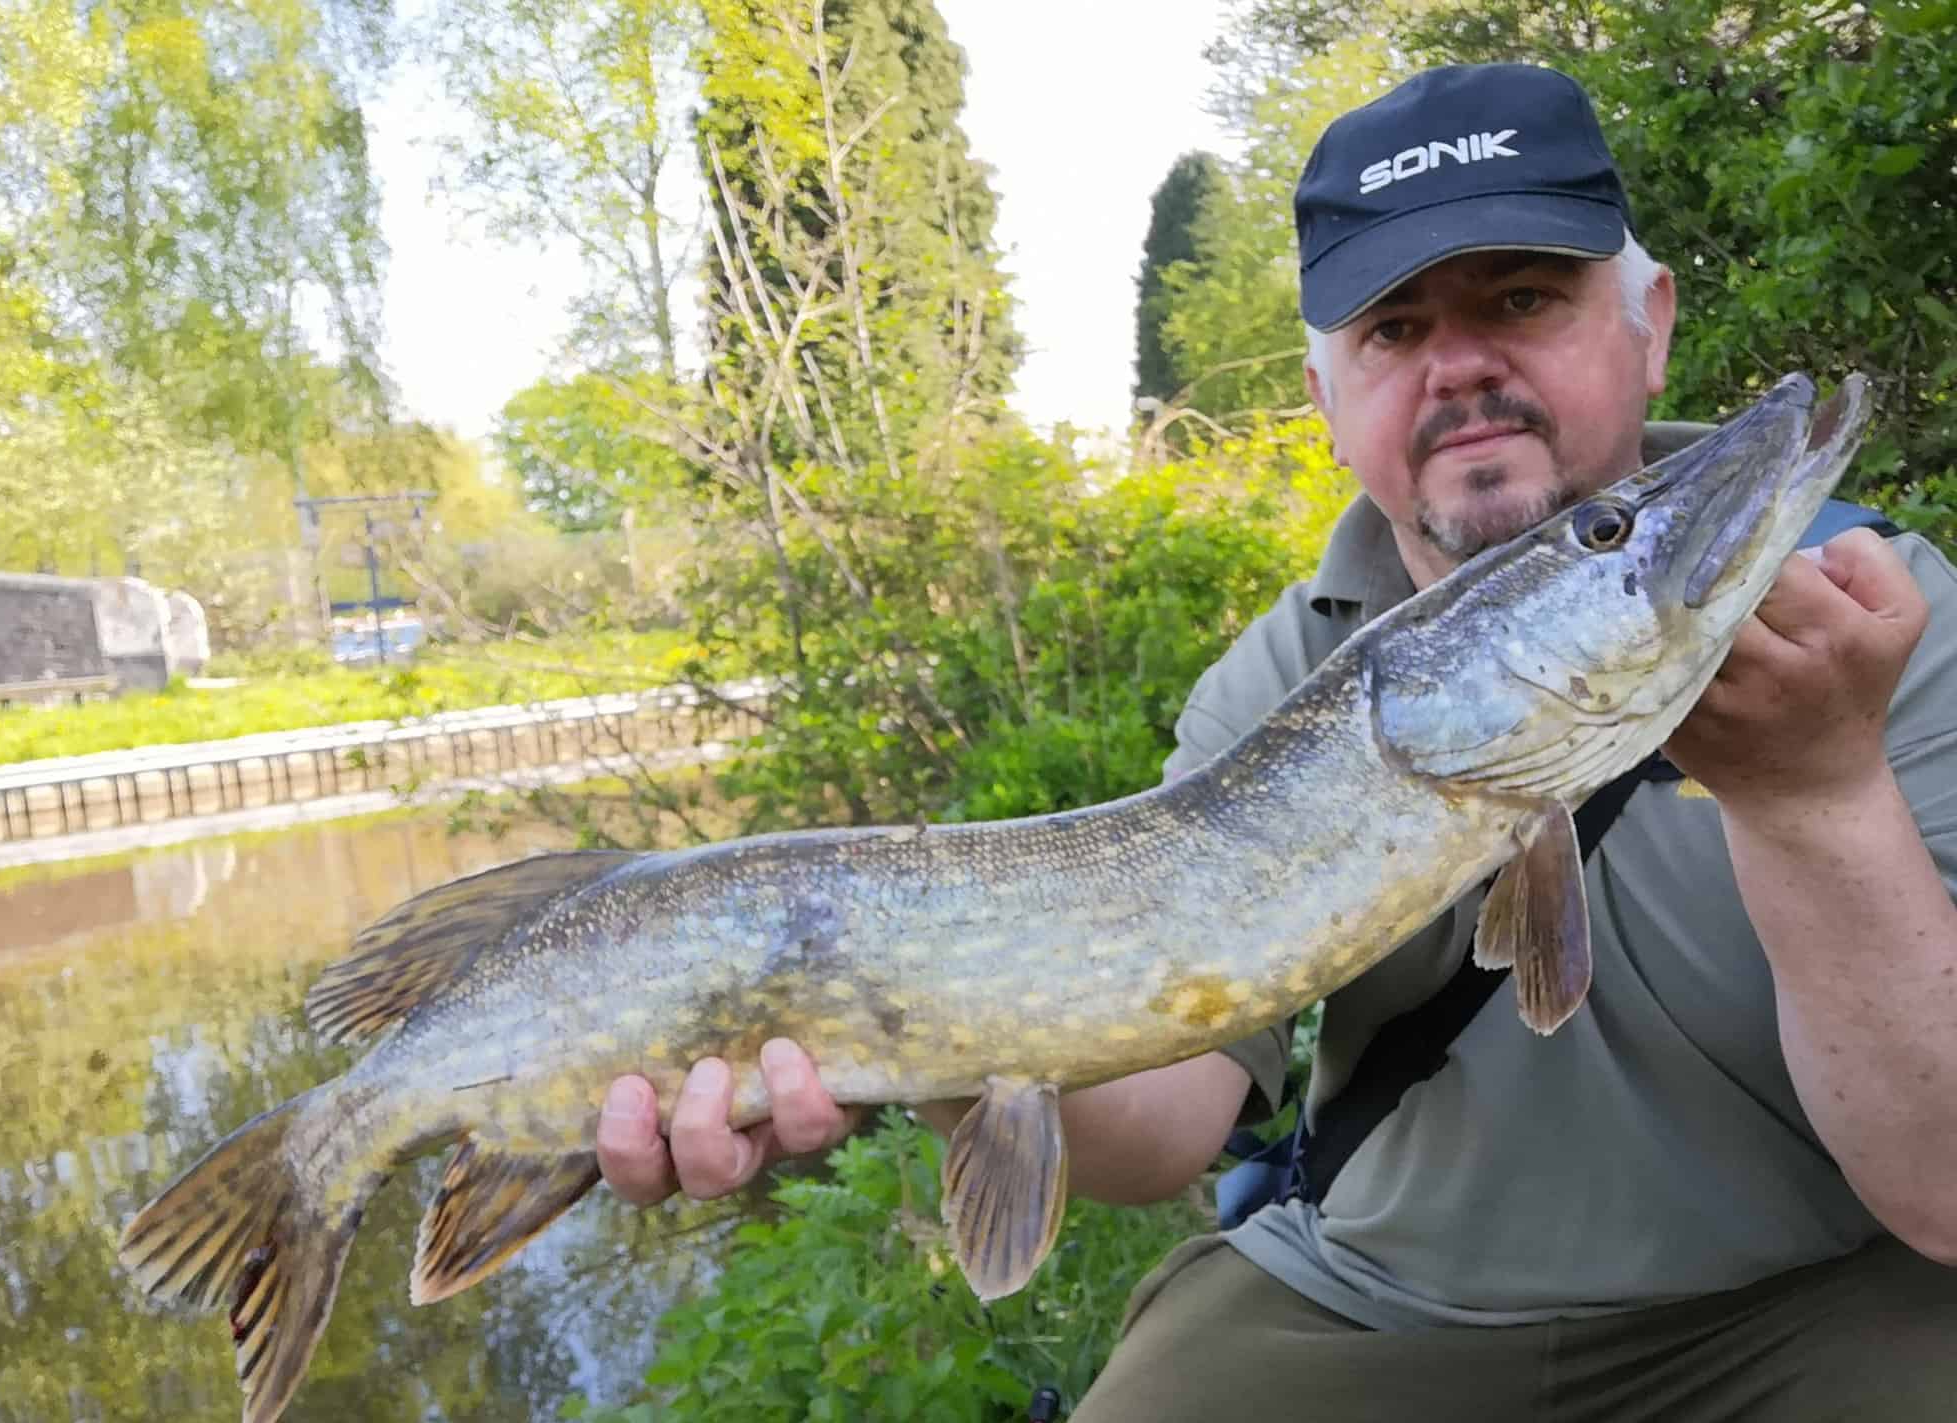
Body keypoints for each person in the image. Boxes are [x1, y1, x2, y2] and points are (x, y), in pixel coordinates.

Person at [593, 64, 1957, 1419]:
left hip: (1815, 1299)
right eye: (1392, 328)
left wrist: (1820, 791)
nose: (1461, 365)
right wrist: (946, 1041)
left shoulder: (1882, 621)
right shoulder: (1279, 679)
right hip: (1380, 1310)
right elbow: (1166, 1127)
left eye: (1524, 299)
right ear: (1327, 397)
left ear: (1649, 324)